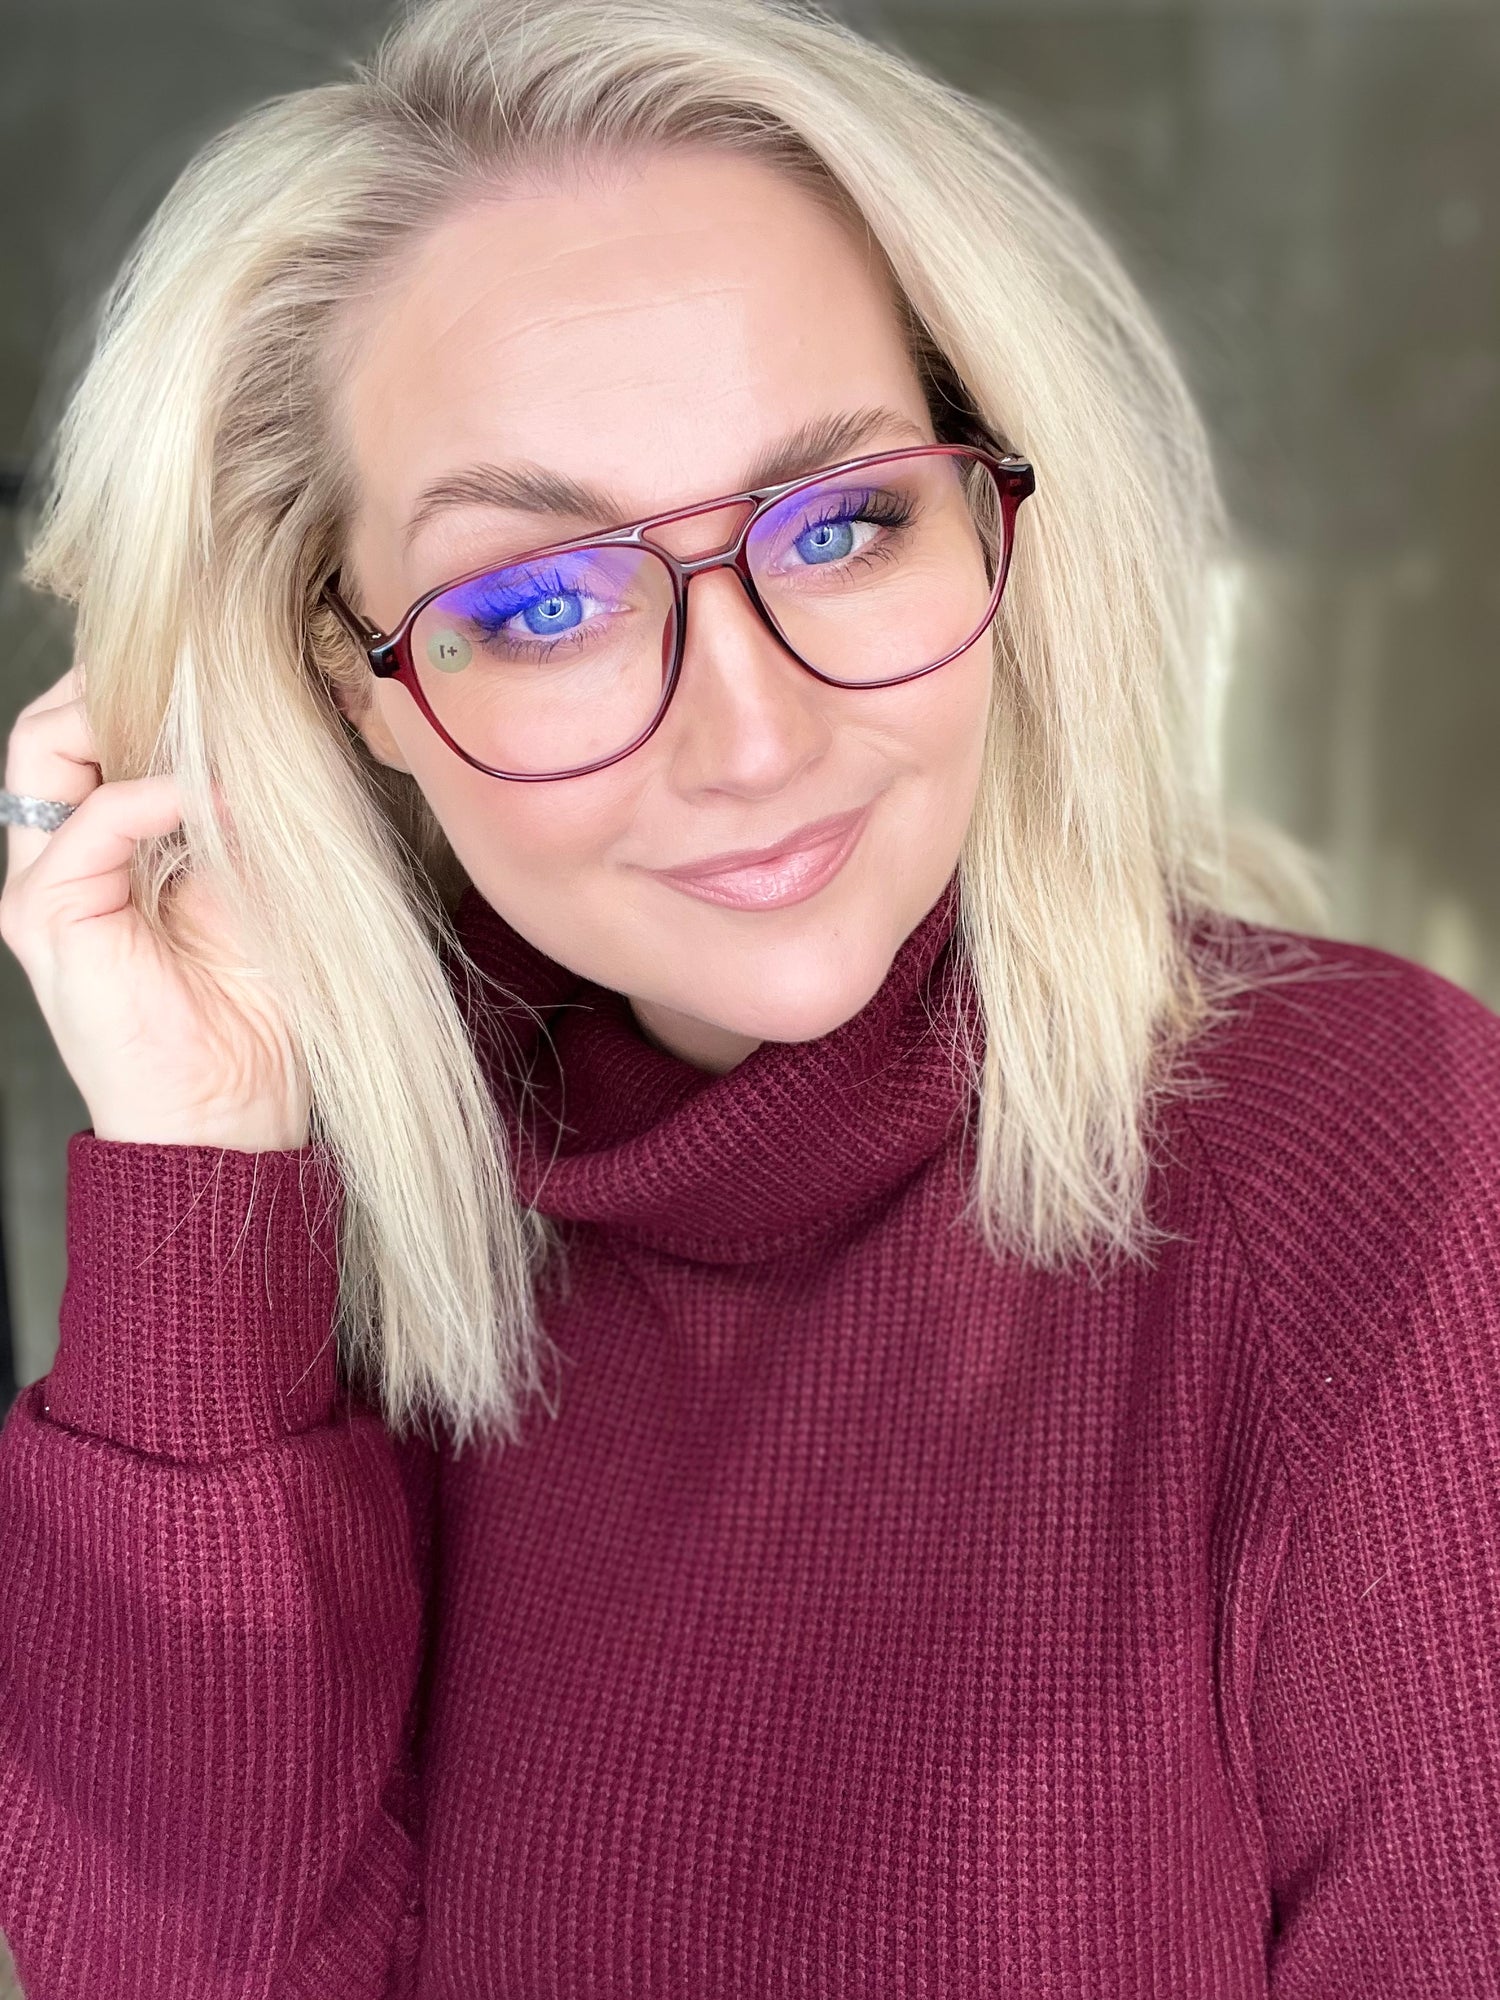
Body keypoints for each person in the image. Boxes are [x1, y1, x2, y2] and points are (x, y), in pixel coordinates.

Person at [2, 0, 1498, 1991]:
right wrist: (205, 1184)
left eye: (844, 521)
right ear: (352, 679)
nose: (755, 736)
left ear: (999, 513)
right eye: (542, 601)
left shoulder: (1372, 1155)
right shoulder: (326, 1228)